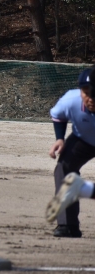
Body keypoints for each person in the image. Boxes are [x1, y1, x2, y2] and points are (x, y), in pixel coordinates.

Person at [47, 68, 95, 237]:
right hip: (84, 139)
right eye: (86, 92)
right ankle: (68, 225)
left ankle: (84, 189)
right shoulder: (70, 99)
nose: (90, 98)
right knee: (64, 168)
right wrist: (60, 138)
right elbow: (58, 115)